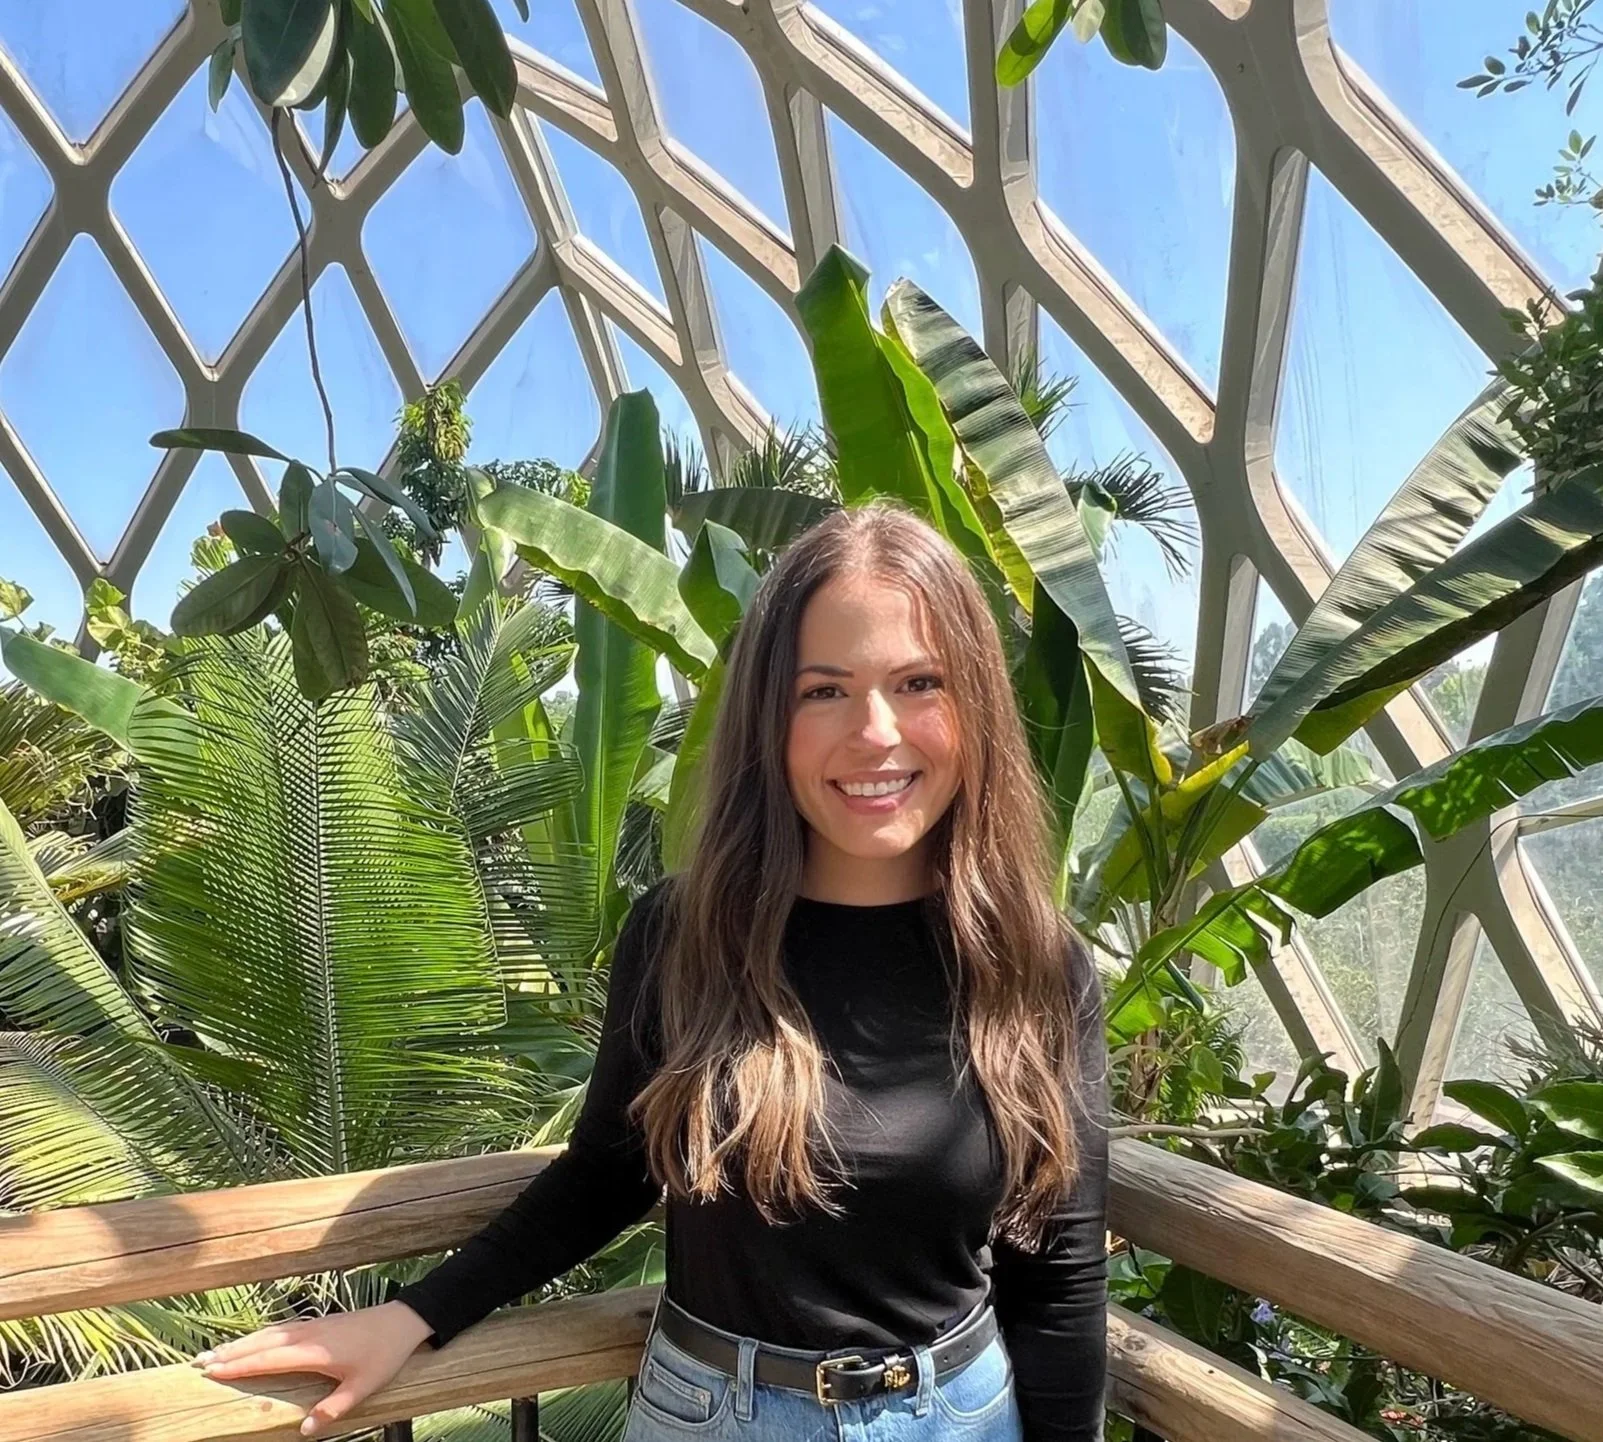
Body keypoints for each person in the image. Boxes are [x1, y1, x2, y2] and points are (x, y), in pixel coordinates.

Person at [190, 501, 1109, 1441]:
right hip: (714, 1414)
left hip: (958, 1414)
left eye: (920, 682)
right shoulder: (686, 935)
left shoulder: (1034, 965)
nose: (876, 733)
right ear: (768, 718)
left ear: (977, 706)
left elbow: (1058, 1272)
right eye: (822, 691)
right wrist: (416, 1315)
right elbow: (606, 1173)